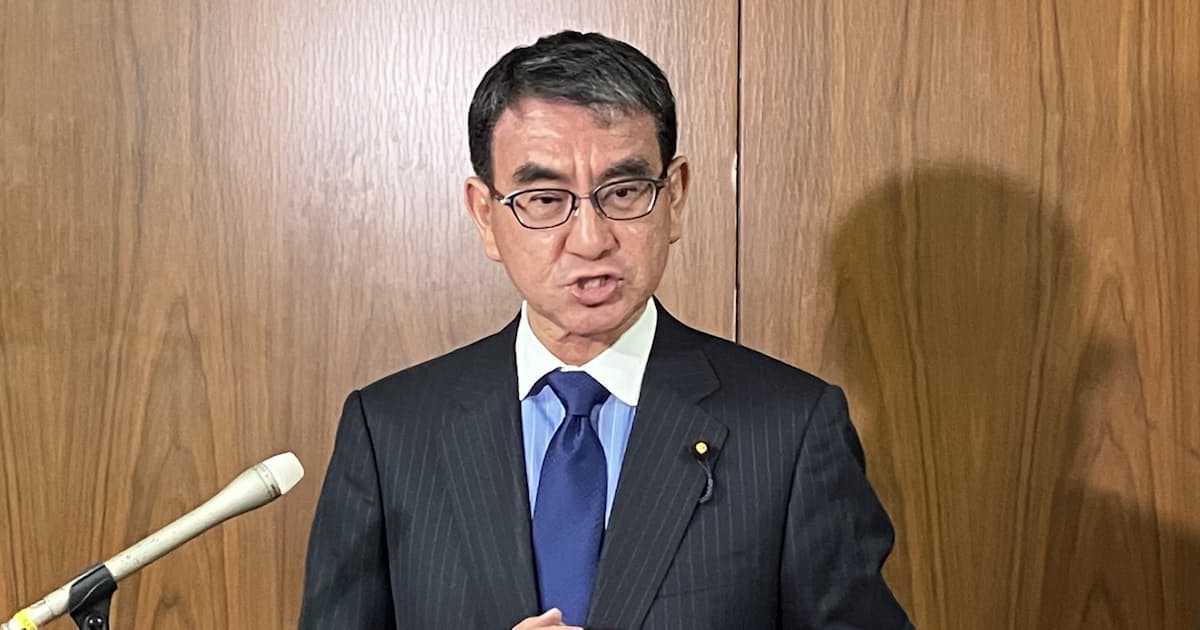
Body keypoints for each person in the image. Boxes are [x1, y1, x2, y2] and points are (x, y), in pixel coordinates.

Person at [298, 30, 912, 629]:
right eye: (545, 199)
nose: (591, 240)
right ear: (485, 215)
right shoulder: (391, 431)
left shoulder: (789, 429)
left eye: (623, 192)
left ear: (675, 196)